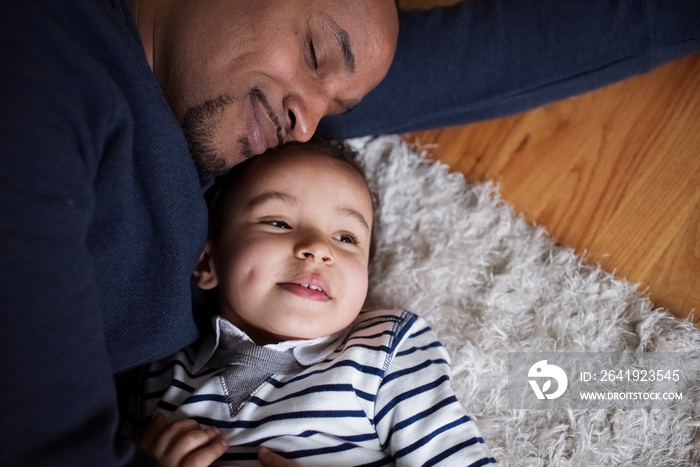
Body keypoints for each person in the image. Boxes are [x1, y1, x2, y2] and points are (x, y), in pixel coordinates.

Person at [1, 0, 698, 465]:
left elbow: (478, 58)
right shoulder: (44, 75)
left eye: (336, 104)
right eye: (313, 50)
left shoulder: (234, 105)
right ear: (207, 260)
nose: (305, 122)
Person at [129, 140, 497, 466]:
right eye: (278, 222)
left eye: (345, 237)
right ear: (208, 261)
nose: (319, 249)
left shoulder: (383, 349)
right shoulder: (159, 370)